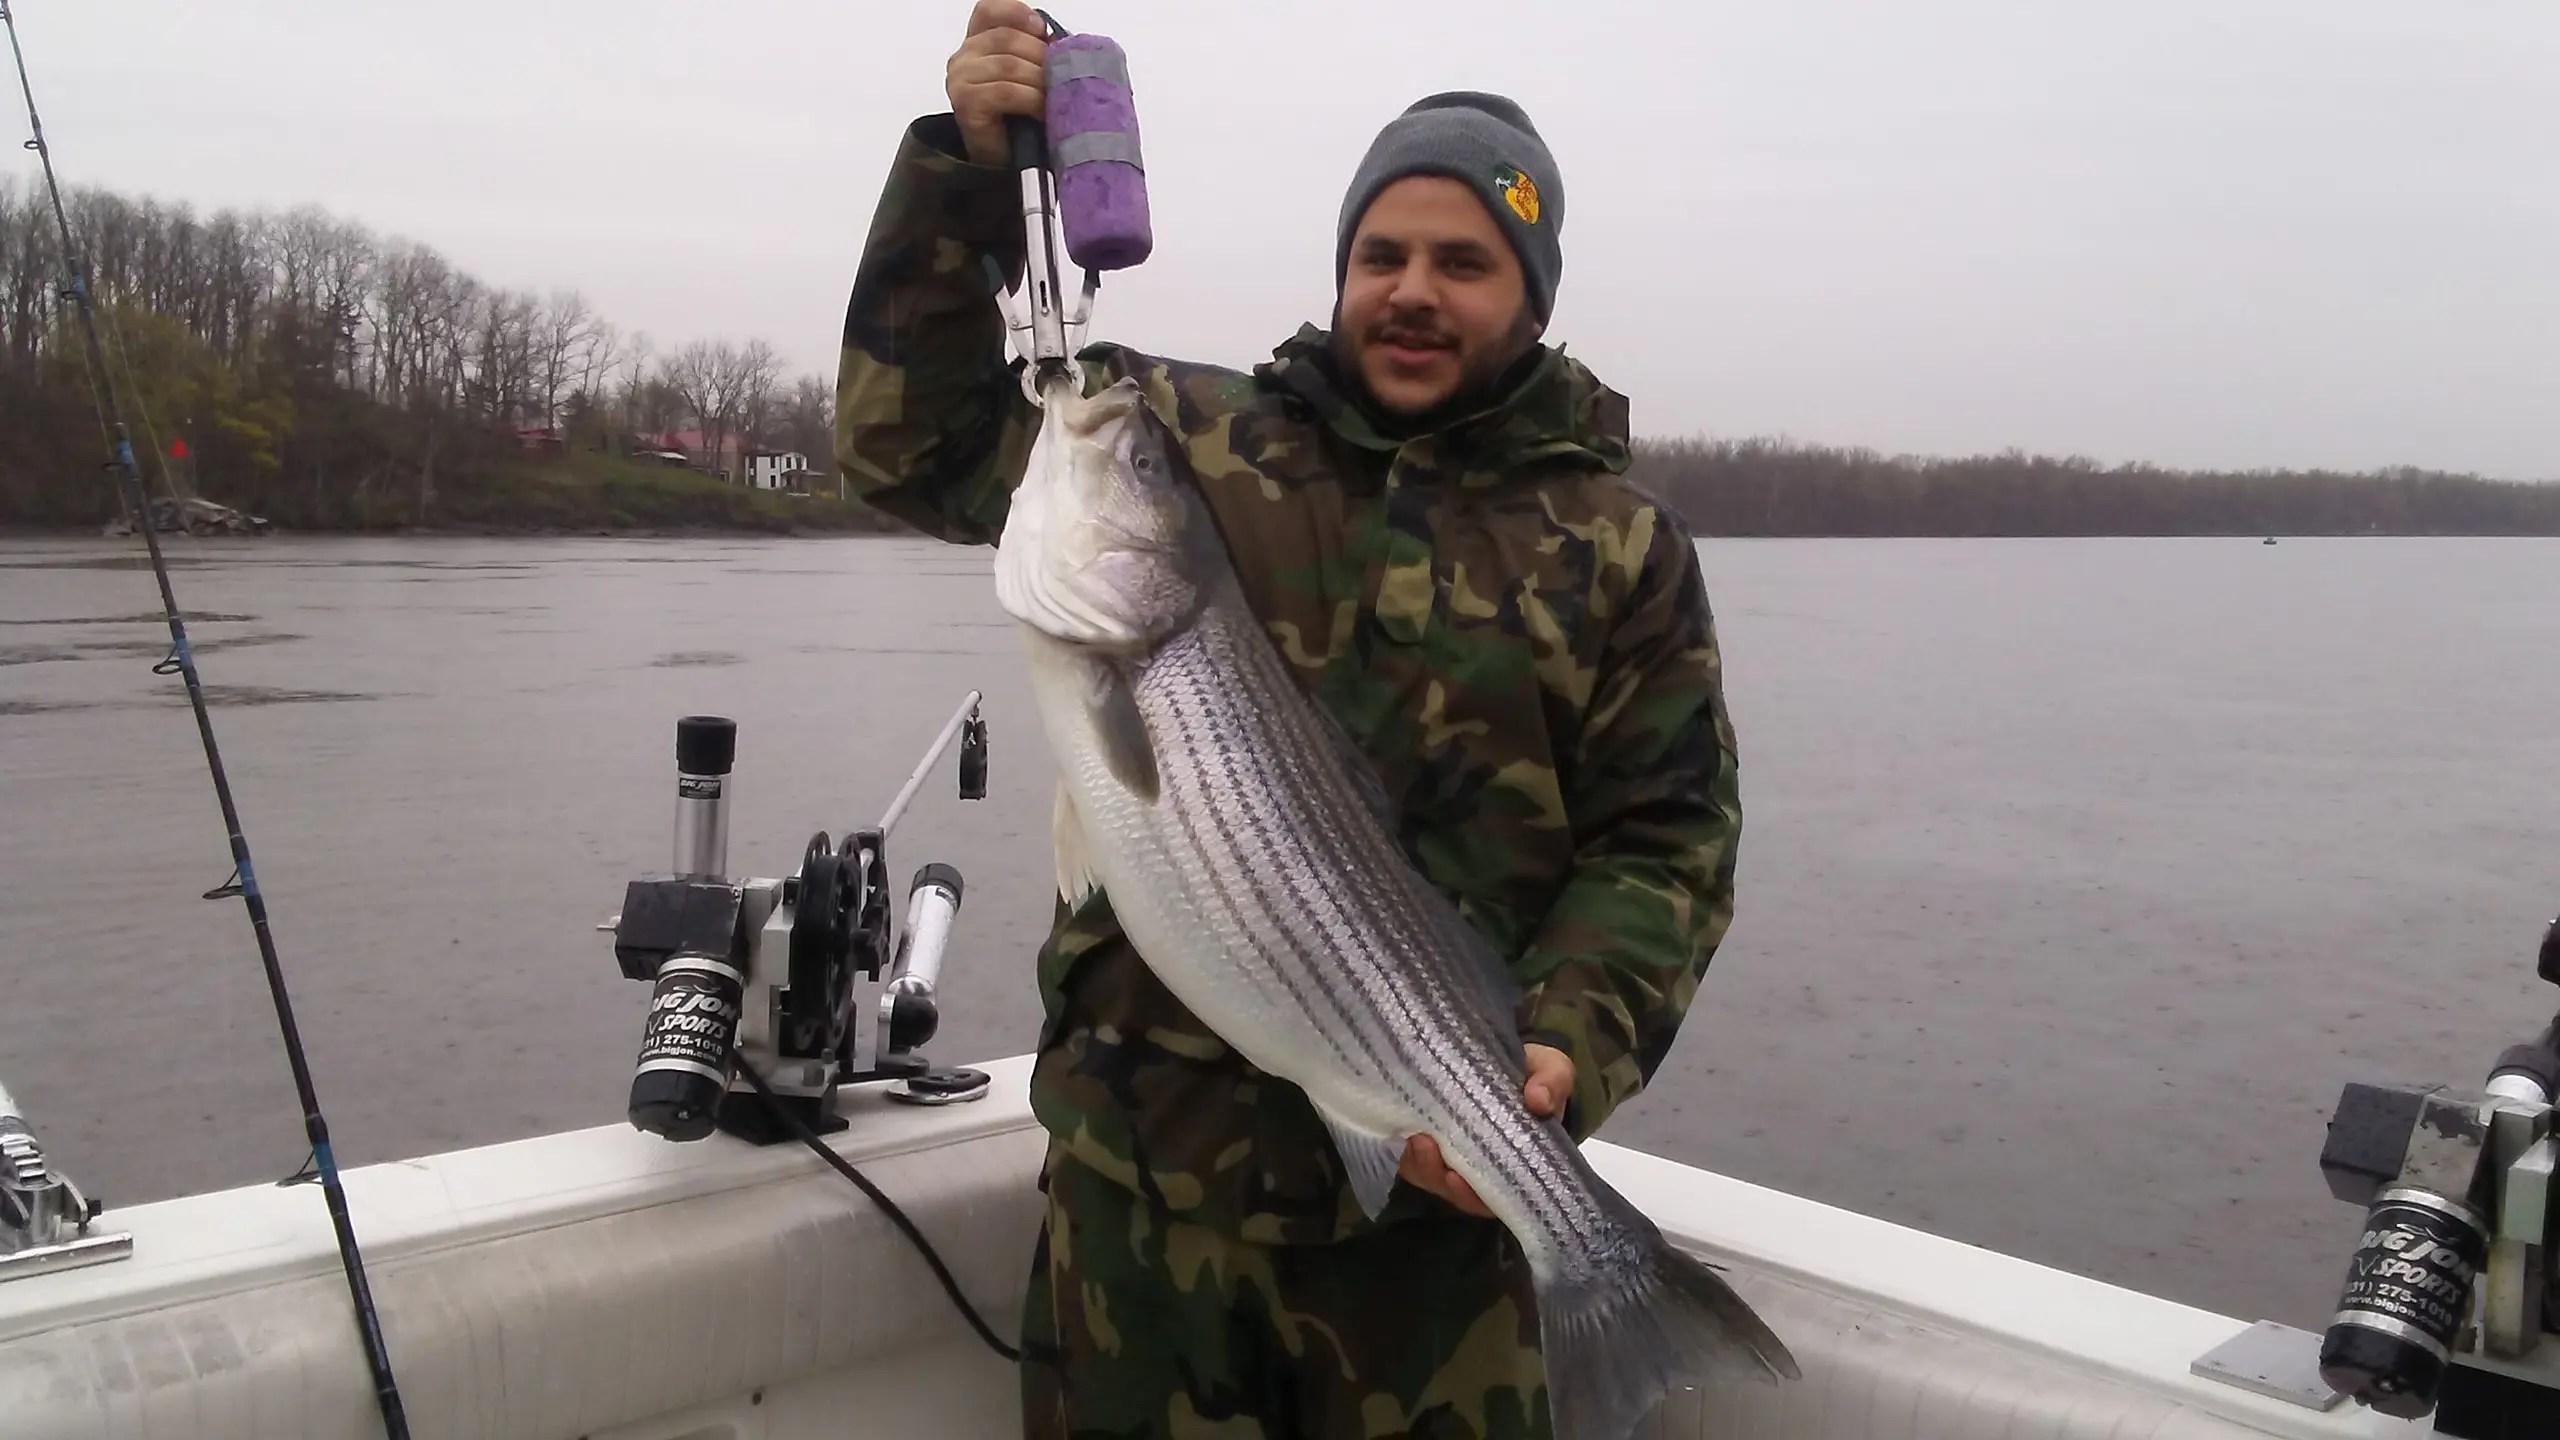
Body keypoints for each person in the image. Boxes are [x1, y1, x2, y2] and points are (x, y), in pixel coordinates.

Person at [835, 3, 1743, 1434]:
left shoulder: (1617, 545)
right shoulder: (1188, 440)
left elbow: (1664, 846)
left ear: (1533, 292)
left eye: (1465, 261)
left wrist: (1569, 1040)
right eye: (1382, 254)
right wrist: (964, 168)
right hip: (1142, 1217)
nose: (1413, 290)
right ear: (1342, 271)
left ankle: (1609, 1288)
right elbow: (910, 444)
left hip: (1436, 1261)